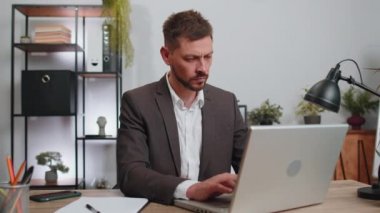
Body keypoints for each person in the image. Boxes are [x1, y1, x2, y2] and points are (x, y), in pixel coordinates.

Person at [117, 9, 249, 205]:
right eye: (191, 59)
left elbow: (251, 168)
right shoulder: (137, 102)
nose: (203, 68)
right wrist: (193, 189)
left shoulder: (226, 103)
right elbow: (131, 175)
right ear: (166, 55)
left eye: (208, 57)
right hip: (159, 208)